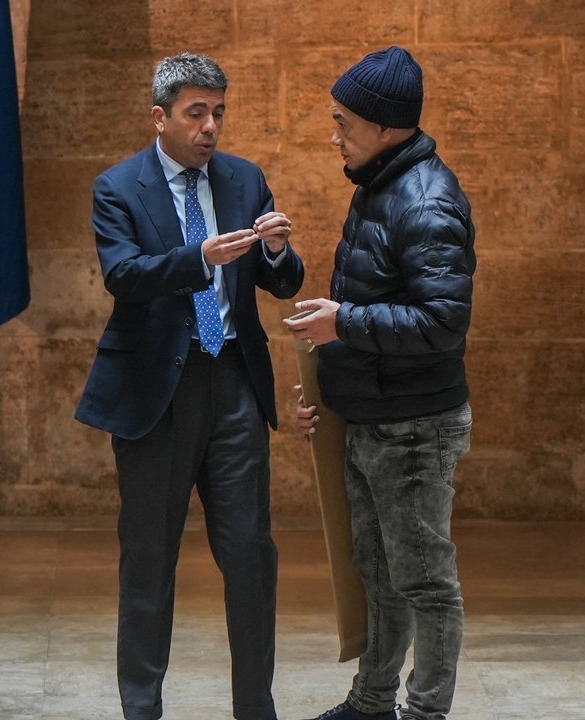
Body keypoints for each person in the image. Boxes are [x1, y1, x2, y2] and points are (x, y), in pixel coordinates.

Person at [74, 52, 304, 720]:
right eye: (196, 113)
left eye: (219, 113)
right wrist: (196, 259)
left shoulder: (243, 179)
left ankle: (255, 709)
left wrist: (277, 252)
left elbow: (280, 283)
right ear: (160, 116)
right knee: (148, 561)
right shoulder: (118, 187)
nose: (210, 128)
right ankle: (143, 709)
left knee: (251, 557)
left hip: (232, 378)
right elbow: (124, 275)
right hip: (155, 392)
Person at [284, 46, 476, 720]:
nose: (333, 133)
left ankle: (424, 713)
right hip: (374, 418)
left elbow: (444, 321)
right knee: (378, 574)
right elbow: (376, 310)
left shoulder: (424, 202)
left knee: (424, 582)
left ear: (387, 128)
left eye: (344, 122)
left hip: (414, 428)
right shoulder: (379, 183)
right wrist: (328, 387)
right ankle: (370, 705)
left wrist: (345, 323)